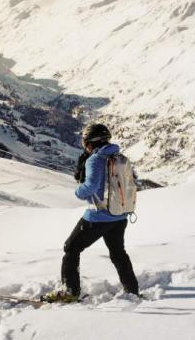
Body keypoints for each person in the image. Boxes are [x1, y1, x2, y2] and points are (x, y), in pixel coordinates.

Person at [43, 123, 139, 303]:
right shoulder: (120, 157)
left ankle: (70, 291)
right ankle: (132, 289)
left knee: (71, 248)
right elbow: (133, 181)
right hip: (120, 216)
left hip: (98, 217)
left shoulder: (95, 160)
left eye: (85, 143)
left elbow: (90, 187)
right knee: (118, 253)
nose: (84, 146)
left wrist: (78, 190)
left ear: (91, 143)